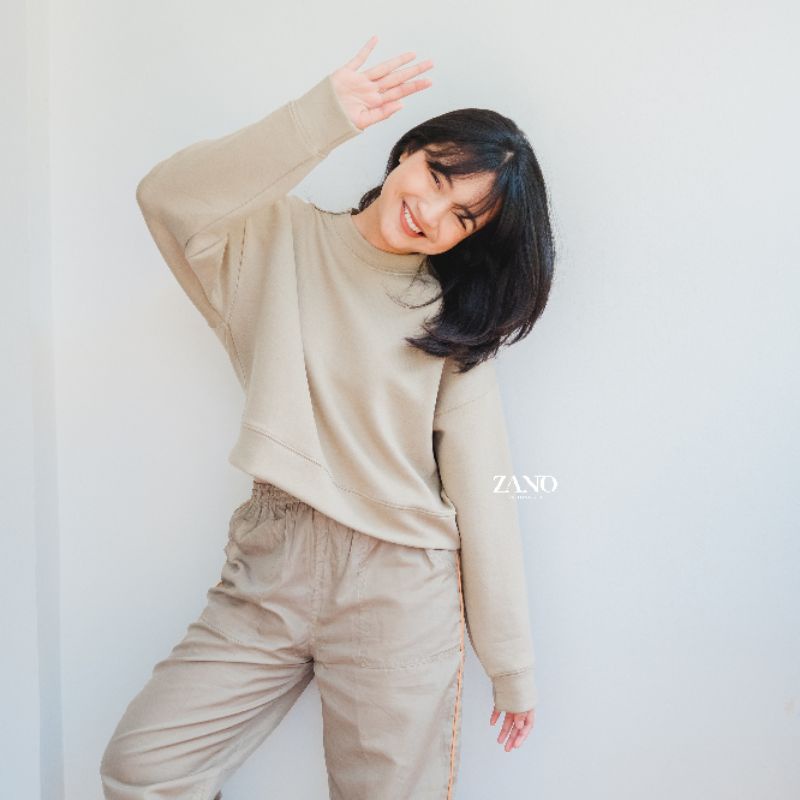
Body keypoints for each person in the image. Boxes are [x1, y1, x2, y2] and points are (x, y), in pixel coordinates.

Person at [100, 34, 555, 800]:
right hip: (271, 563)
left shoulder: (452, 319)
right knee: (145, 767)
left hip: (399, 586)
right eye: (436, 176)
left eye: (462, 217)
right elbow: (165, 197)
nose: (432, 211)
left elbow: (486, 489)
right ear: (405, 153)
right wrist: (320, 118)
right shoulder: (271, 238)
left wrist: (511, 665)